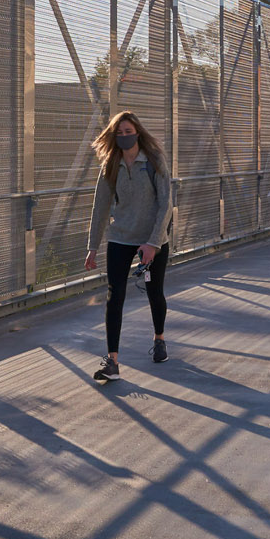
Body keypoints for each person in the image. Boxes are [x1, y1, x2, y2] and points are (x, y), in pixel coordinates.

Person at [84, 110, 174, 382]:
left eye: (128, 132)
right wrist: (92, 247)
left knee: (153, 292)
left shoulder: (154, 162)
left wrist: (153, 243)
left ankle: (159, 339)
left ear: (138, 132)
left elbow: (165, 205)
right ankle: (112, 361)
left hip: (152, 240)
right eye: (119, 133)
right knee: (115, 295)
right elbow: (100, 207)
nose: (124, 137)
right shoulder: (111, 165)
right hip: (121, 237)